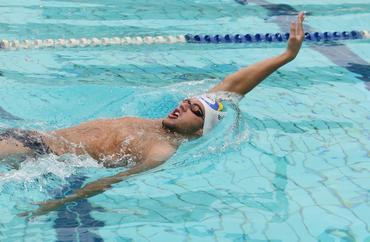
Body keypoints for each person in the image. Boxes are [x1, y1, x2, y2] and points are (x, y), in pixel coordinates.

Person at [8, 12, 304, 216]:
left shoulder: (160, 151)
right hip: (34, 139)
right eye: (188, 101)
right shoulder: (159, 124)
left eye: (195, 110)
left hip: (46, 157)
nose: (184, 105)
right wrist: (285, 56)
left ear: (201, 130)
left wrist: (60, 203)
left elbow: (111, 182)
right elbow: (233, 86)